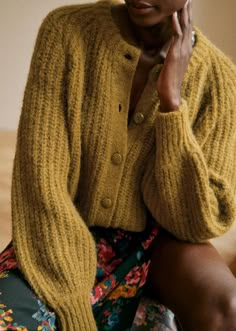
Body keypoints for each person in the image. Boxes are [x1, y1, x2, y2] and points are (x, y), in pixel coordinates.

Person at [0, 0, 236, 330]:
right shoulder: (66, 32)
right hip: (59, 235)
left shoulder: (219, 79)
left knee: (229, 304)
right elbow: (41, 183)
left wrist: (171, 105)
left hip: (158, 249)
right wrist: (73, 309)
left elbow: (195, 223)